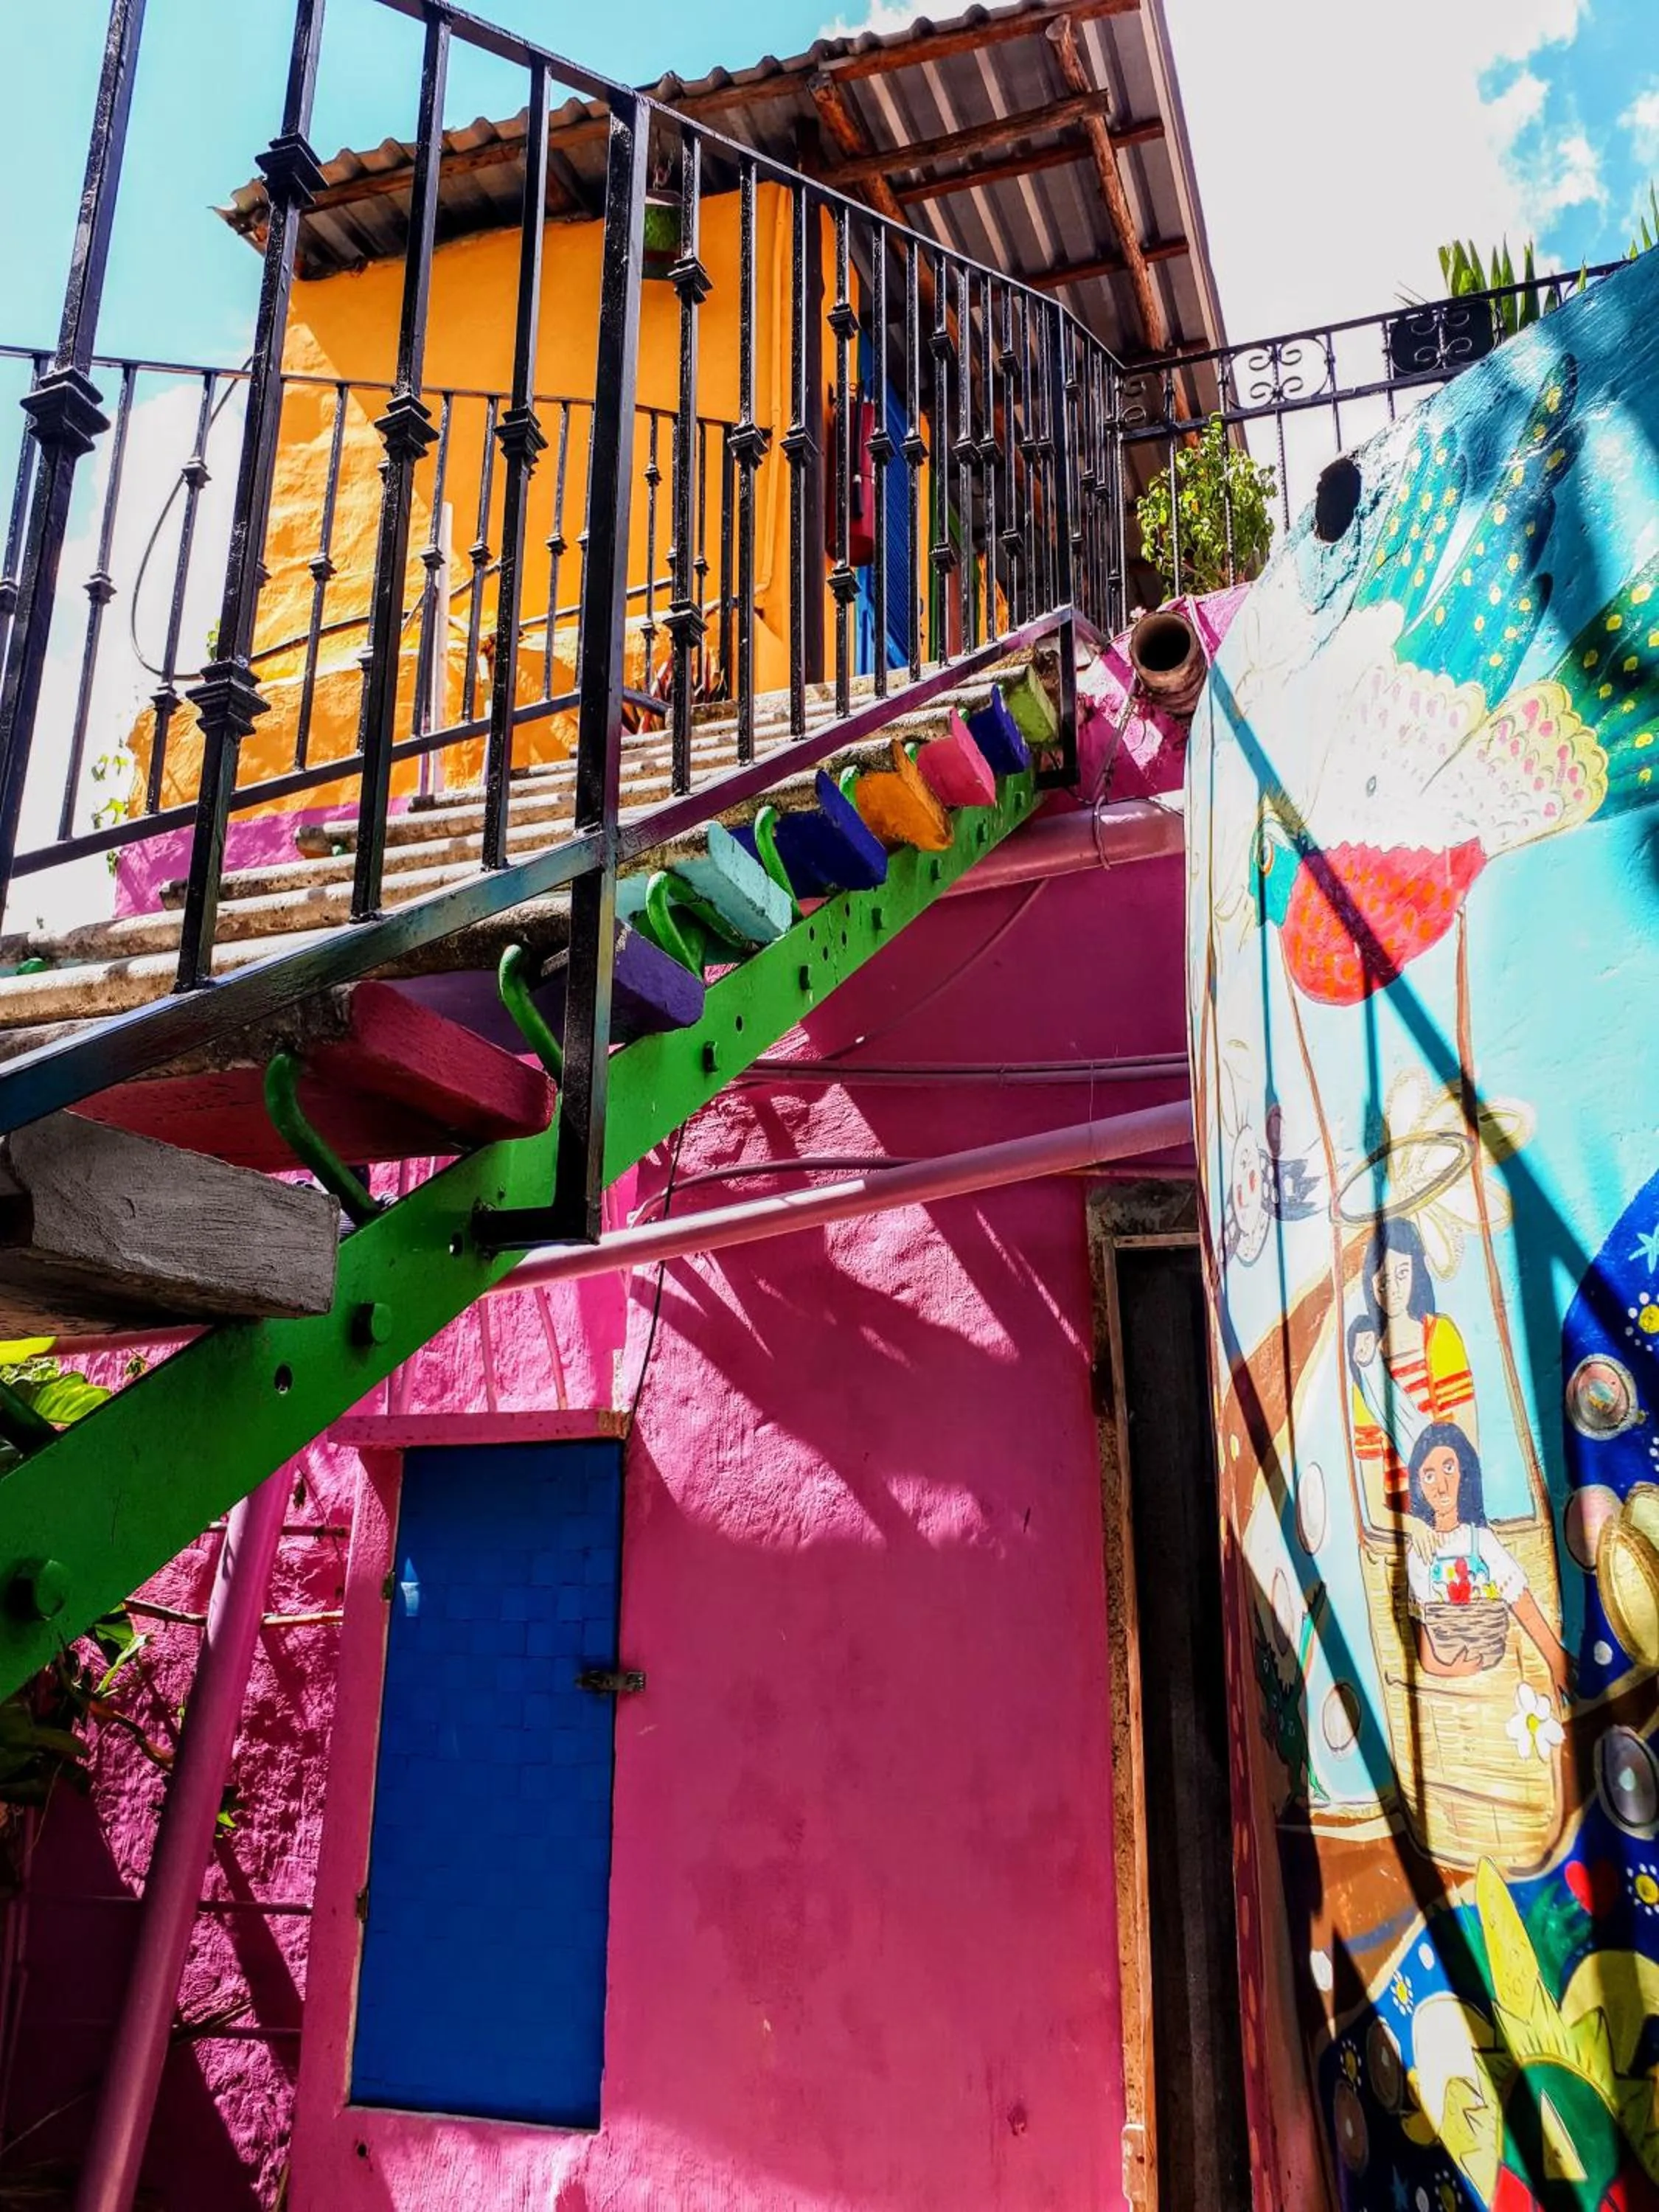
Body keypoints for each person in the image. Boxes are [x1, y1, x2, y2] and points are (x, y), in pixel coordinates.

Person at [1403, 1422, 1570, 1697]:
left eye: (1449, 1468)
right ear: (1419, 1483)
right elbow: (1421, 1627)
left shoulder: (1481, 1541)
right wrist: (1447, 1668)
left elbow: (1519, 1597)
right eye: (1429, 1475)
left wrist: (1553, 1655)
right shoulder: (1420, 1550)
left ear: (1464, 1473)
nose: (1441, 1486)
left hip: (1495, 1674)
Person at [1350, 1216, 1477, 1512]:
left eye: (1402, 1273)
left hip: (1452, 1506)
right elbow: (1375, 1502)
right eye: (1383, 1279)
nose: (1392, 1287)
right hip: (1405, 1519)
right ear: (1371, 1284)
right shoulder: (1366, 1370)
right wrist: (1413, 1526)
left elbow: (1466, 1440)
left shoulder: (1439, 1337)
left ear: (1416, 1273)